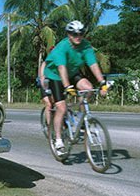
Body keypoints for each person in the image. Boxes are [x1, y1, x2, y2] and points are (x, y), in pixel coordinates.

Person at [43, 20, 107, 153]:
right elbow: (61, 68)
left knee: (88, 88)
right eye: (74, 34)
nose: (78, 36)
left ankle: (79, 117)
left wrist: (102, 83)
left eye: (80, 33)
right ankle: (59, 140)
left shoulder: (85, 46)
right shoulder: (62, 47)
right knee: (61, 107)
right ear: (68, 34)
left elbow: (93, 65)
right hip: (55, 75)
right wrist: (67, 87)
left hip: (72, 72)